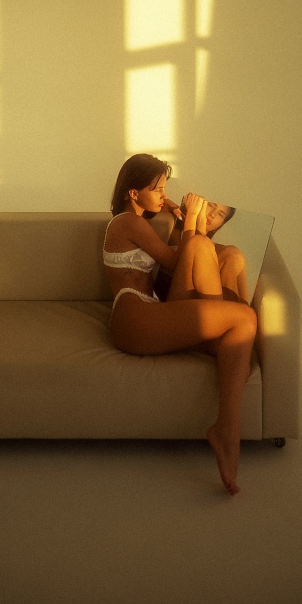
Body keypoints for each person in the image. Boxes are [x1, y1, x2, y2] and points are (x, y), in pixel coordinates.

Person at [104, 153, 257, 495]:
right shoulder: (127, 223)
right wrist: (193, 219)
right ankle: (227, 431)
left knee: (227, 260)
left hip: (149, 313)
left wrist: (179, 213)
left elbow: (181, 255)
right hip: (134, 319)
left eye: (165, 187)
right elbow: (177, 259)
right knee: (241, 314)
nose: (164, 194)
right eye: (158, 189)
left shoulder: (143, 222)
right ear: (134, 193)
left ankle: (226, 359)